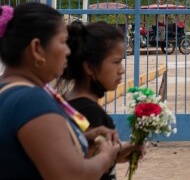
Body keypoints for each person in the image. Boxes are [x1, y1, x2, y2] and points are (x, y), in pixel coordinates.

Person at [0, 3, 120, 179]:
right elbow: (71, 176)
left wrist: (84, 139)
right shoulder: (30, 100)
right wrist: (107, 156)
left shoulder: (5, 89)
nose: (68, 51)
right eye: (62, 42)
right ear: (37, 49)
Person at [62, 21, 144, 180]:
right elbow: (87, 171)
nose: (122, 70)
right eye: (116, 62)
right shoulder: (90, 113)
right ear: (90, 68)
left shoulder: (68, 102)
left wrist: (117, 154)